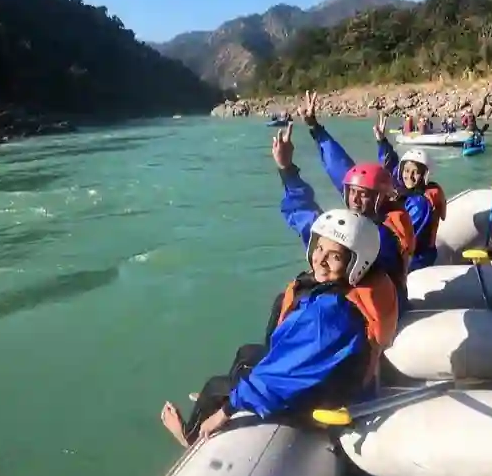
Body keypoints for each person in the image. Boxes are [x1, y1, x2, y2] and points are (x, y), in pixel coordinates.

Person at [159, 208, 398, 447]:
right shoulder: (344, 293)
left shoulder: (326, 317)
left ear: (356, 264)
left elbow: (276, 381)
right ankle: (223, 396)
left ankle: (189, 435)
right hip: (330, 382)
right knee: (247, 353)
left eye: (334, 257)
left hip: (319, 402)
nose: (321, 260)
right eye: (319, 248)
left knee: (215, 385)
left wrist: (227, 411)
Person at [284, 92, 415, 300]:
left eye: (362, 195)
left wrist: (288, 171)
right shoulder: (377, 210)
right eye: (351, 192)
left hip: (374, 309)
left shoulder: (379, 236)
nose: (354, 199)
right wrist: (315, 128)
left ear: (380, 198)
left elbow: (307, 222)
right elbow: (342, 169)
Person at [374, 113, 447, 271]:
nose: (410, 176)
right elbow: (392, 163)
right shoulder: (403, 183)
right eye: (406, 170)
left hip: (418, 257)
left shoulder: (421, 204)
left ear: (425, 176)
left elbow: (406, 237)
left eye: (416, 172)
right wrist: (382, 141)